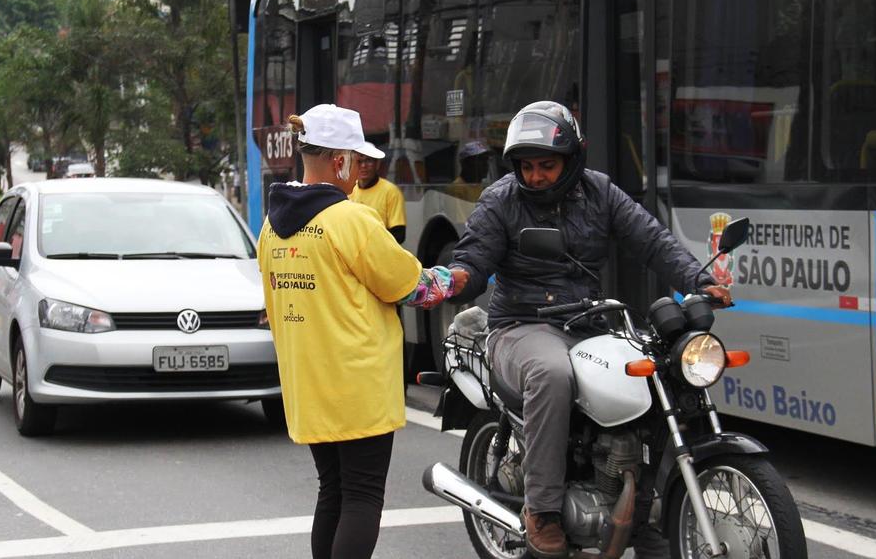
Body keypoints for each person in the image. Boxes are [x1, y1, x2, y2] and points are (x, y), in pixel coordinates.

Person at [445, 101, 731, 559]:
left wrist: (700, 280)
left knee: (655, 370)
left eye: (547, 165)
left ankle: (638, 510)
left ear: (572, 159)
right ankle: (542, 511)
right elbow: (473, 258)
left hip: (588, 320)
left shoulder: (599, 192)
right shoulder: (501, 200)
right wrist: (457, 278)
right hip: (521, 324)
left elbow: (651, 239)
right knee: (552, 374)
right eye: (527, 166)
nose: (536, 176)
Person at [258, 104, 453, 559]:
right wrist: (453, 278)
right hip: (356, 384)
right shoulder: (350, 220)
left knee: (333, 492)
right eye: (355, 158)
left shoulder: (271, 227)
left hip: (309, 382)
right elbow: (411, 287)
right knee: (363, 497)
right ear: (340, 160)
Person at [347, 144, 406, 243]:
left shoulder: (391, 191)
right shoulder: (348, 189)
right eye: (359, 161)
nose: (363, 166)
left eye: (368, 160)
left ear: (377, 164)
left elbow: (399, 234)